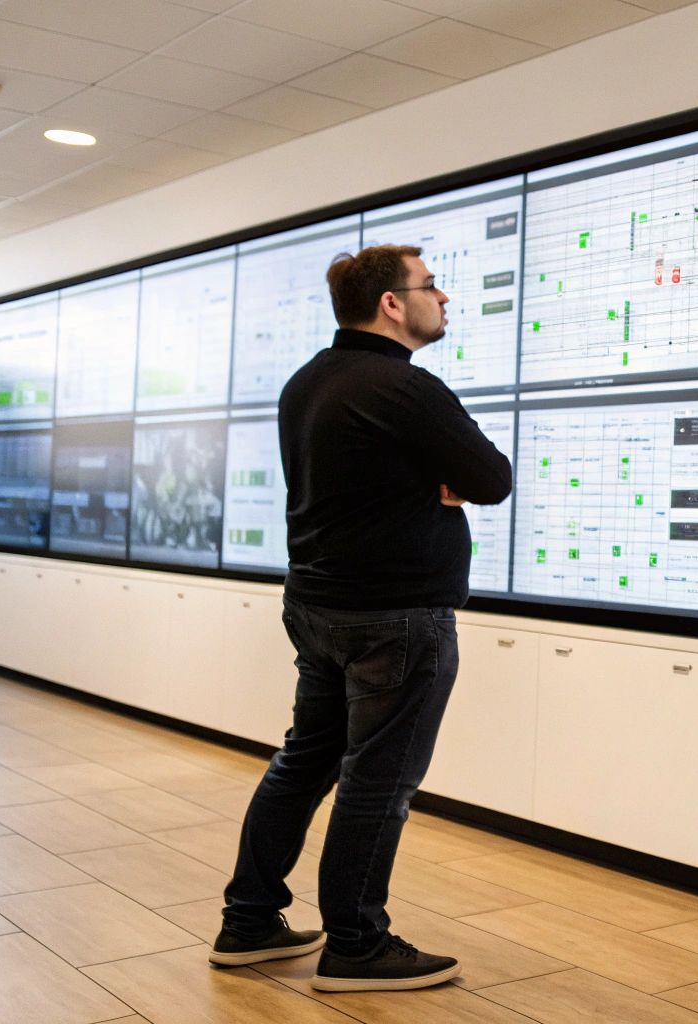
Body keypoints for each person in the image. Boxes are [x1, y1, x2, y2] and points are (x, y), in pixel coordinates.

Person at [209, 244, 512, 992]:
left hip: (317, 607)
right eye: (431, 286)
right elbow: (492, 478)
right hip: (396, 618)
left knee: (303, 761)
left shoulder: (307, 381)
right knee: (379, 783)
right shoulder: (405, 388)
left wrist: (425, 480)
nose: (444, 299)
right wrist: (441, 481)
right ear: (390, 304)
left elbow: (369, 481)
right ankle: (355, 942)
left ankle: (248, 920)